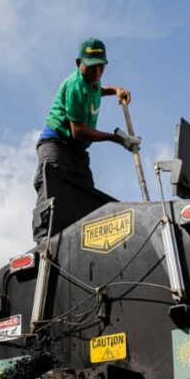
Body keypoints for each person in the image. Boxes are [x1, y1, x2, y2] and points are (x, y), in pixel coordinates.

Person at [31, 37, 140, 241]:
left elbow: (100, 88)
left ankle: (79, 243)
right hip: (56, 145)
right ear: (78, 63)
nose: (97, 73)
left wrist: (116, 89)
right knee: (53, 191)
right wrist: (115, 138)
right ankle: (43, 243)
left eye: (101, 67)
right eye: (92, 68)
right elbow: (78, 131)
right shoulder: (75, 86)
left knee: (84, 197)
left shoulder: (94, 81)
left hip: (77, 151)